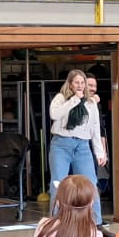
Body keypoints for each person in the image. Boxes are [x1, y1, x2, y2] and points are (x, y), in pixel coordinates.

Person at [47, 69, 108, 226]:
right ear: (70, 84)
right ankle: (56, 223)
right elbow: (54, 114)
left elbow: (95, 128)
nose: (80, 85)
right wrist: (74, 100)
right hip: (61, 144)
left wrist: (100, 152)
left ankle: (97, 223)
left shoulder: (90, 103)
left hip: (82, 146)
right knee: (58, 183)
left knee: (91, 183)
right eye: (76, 83)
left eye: (82, 83)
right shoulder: (61, 98)